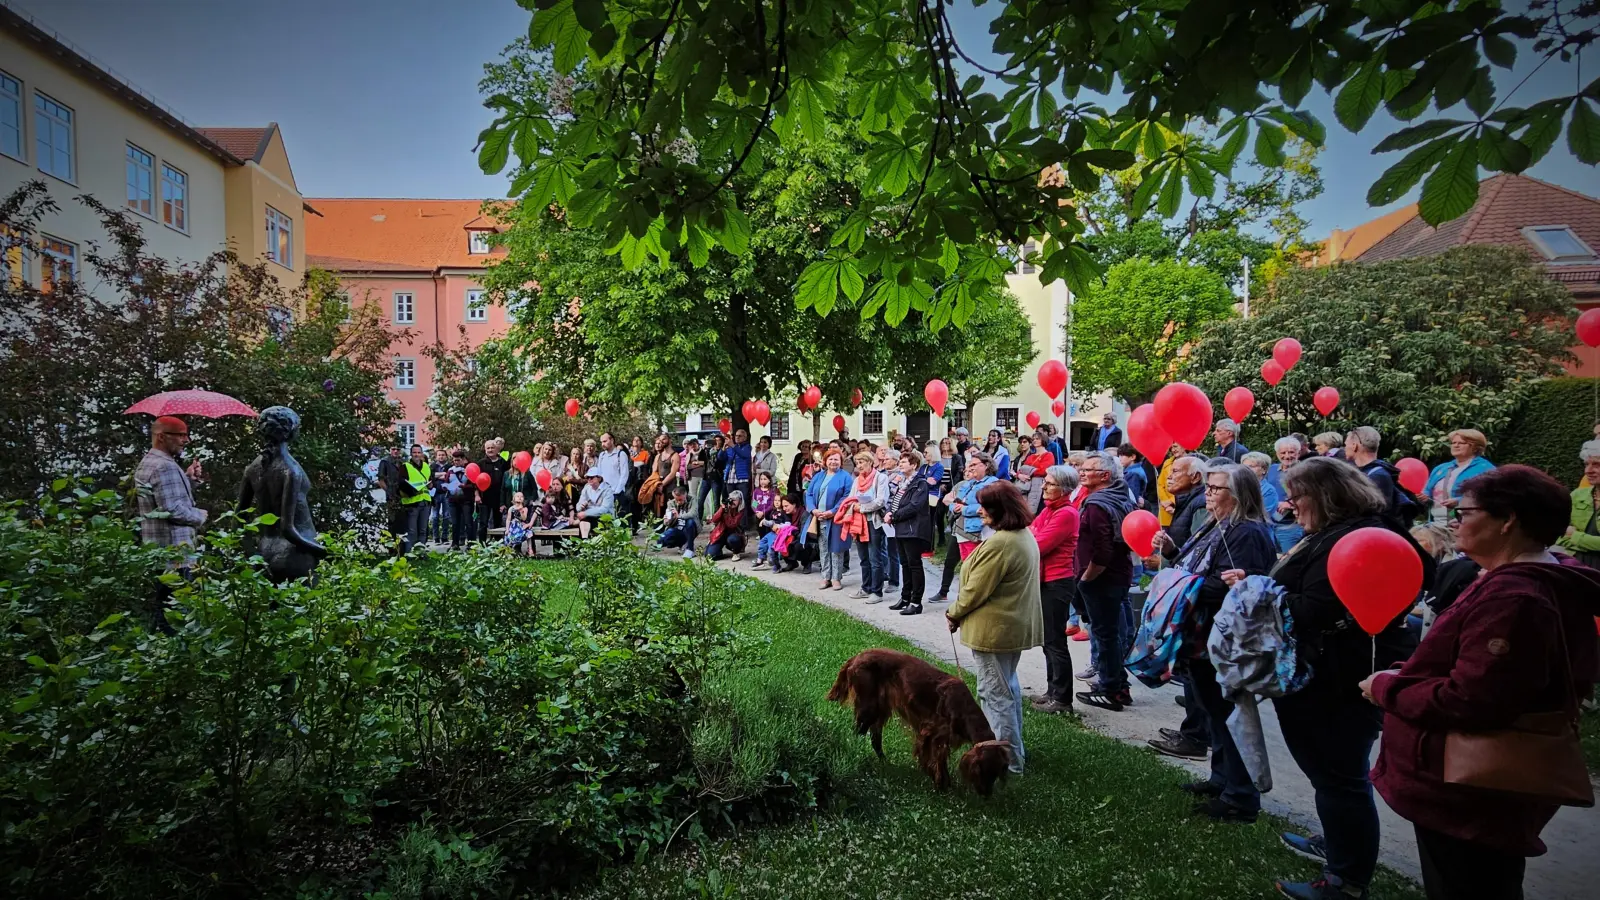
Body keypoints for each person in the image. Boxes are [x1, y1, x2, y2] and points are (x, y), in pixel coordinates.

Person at [1362, 466, 1600, 900]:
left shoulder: (1517, 600)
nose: (1455, 522)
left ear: (1507, 519)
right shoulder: (1518, 581)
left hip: (1473, 790)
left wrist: (1386, 688)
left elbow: (1472, 699)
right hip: (1469, 789)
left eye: (1466, 512)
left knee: (1468, 884)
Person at [1269, 457, 1436, 900]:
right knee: (1333, 774)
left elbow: (1315, 609)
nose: (1290, 504)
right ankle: (1338, 844)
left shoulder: (1357, 536)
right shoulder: (1342, 531)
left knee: (1340, 775)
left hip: (1340, 677)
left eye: (1297, 495)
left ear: (1325, 497)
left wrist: (1262, 594)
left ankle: (1346, 880)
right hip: (1329, 670)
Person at [1166, 463, 1277, 823]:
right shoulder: (1215, 524)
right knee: (1212, 711)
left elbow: (1238, 589)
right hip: (1201, 635)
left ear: (1239, 494)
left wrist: (1181, 586)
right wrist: (1171, 554)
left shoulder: (1247, 533)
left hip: (1224, 639)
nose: (1209, 494)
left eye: (1216, 489)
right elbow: (1195, 567)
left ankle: (1241, 796)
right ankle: (1221, 778)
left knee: (1229, 714)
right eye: (1209, 488)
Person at [946, 482, 1043, 776]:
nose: (980, 511)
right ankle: (1014, 752)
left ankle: (1006, 763)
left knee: (995, 695)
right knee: (1007, 689)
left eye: (985, 506)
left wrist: (954, 613)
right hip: (1009, 627)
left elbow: (976, 589)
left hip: (995, 629)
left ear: (1000, 510)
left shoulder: (1001, 544)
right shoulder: (1020, 535)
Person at [1075, 451, 1137, 711]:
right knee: (1110, 633)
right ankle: (1119, 684)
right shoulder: (1121, 497)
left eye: (1088, 469)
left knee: (1105, 635)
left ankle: (1111, 690)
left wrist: (1087, 579)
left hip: (1103, 579)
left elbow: (1103, 548)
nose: (1082, 472)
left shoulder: (1098, 504)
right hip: (1120, 575)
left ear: (1105, 475)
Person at [1028, 464, 1080, 714]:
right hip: (1045, 579)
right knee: (1047, 640)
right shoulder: (1050, 510)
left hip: (1057, 581)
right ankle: (1052, 691)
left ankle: (1062, 699)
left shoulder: (1066, 514)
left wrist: (1033, 534)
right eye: (1045, 482)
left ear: (1064, 489)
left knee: (1055, 641)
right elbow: (1031, 531)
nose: (1044, 486)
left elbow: (1039, 543)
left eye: (1049, 483)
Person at [134, 415, 209, 565]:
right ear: (161, 437)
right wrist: (200, 515)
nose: (186, 440)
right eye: (180, 435)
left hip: (160, 555)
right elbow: (172, 510)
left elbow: (164, 496)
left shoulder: (150, 461)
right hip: (174, 559)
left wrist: (189, 479)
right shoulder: (164, 466)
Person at [933, 452, 998, 602]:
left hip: (977, 531)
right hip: (961, 529)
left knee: (977, 567)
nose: (970, 468)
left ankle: (976, 599)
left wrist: (964, 509)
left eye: (974, 465)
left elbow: (985, 508)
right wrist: (956, 507)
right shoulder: (969, 483)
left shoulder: (992, 484)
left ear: (986, 466)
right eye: (969, 465)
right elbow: (952, 502)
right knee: (966, 566)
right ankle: (966, 598)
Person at [884, 449, 932, 615]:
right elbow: (896, 501)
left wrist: (894, 515)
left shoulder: (920, 483)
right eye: (900, 462)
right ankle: (905, 597)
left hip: (913, 528)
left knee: (914, 564)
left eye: (904, 462)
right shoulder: (904, 482)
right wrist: (889, 512)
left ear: (914, 465)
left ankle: (916, 601)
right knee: (904, 563)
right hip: (901, 527)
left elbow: (914, 506)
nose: (900, 465)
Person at [1345, 426, 1416, 526]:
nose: (1344, 448)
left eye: (1346, 444)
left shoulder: (1378, 475)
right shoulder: (1372, 472)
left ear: (1354, 446)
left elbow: (1376, 514)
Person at [1421, 428, 1495, 522]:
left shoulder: (1486, 468)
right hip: (1437, 523)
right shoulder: (1440, 468)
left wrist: (1459, 501)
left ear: (1475, 447)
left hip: (1470, 524)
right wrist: (1424, 497)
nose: (1456, 446)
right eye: (1453, 443)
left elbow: (1491, 497)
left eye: (1461, 443)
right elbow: (1427, 492)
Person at [805, 450, 854, 590]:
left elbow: (846, 497)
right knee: (823, 548)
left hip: (836, 518)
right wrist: (813, 510)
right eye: (830, 459)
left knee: (836, 549)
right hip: (818, 517)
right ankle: (826, 576)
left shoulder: (845, 477)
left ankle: (836, 578)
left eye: (836, 459)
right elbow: (808, 494)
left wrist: (832, 512)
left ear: (841, 462)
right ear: (825, 461)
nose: (833, 462)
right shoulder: (818, 476)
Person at [847, 451, 890, 601]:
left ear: (870, 462)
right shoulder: (857, 480)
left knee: (874, 558)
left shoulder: (881, 478)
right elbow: (850, 499)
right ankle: (866, 587)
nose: (859, 466)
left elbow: (881, 501)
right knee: (863, 557)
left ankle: (877, 592)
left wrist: (863, 508)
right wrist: (854, 506)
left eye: (862, 462)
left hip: (874, 522)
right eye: (857, 463)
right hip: (859, 522)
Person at [1557, 440, 1600, 569]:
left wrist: (1575, 536)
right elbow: (1557, 532)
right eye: (1586, 464)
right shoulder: (1577, 495)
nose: (1588, 470)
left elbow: (1567, 533)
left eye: (1596, 465)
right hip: (1577, 568)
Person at [1160, 455, 1208, 560]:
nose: (1169, 477)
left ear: (1195, 477)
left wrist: (1166, 561)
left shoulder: (1201, 504)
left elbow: (1199, 552)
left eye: (1175, 471)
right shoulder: (1185, 501)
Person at [1267, 436, 1305, 552]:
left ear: (1298, 453)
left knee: (1289, 562)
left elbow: (1314, 494)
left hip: (1291, 525)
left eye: (1291, 452)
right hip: (1270, 525)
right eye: (1283, 452)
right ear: (1277, 453)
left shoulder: (1305, 470)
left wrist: (1291, 503)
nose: (1287, 456)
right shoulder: (1272, 469)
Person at [398, 443, 433, 552]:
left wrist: (431, 485)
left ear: (422, 453)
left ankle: (421, 553)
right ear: (411, 454)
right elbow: (401, 483)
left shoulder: (427, 466)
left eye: (419, 452)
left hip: (425, 501)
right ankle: (409, 555)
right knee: (412, 531)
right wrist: (413, 491)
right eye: (414, 453)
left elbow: (431, 481)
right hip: (412, 503)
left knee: (423, 530)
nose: (417, 455)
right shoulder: (405, 467)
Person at [595, 432, 632, 530]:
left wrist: (617, 490)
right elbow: (599, 474)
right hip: (604, 492)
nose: (603, 444)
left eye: (605, 441)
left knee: (620, 520)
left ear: (612, 440)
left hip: (617, 492)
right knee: (605, 521)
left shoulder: (620, 454)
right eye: (601, 442)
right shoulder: (602, 455)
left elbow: (624, 474)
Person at [720, 428, 754, 530]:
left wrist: (733, 446)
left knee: (742, 502)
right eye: (736, 436)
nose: (737, 437)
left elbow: (744, 455)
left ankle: (743, 525)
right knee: (731, 502)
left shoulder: (747, 447)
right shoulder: (730, 448)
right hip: (730, 479)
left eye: (740, 436)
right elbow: (720, 458)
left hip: (742, 479)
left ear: (745, 437)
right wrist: (723, 448)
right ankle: (732, 524)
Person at [776, 493, 816, 573]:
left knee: (799, 545)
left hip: (807, 540)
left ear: (794, 504)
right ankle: (791, 563)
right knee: (778, 541)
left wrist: (792, 531)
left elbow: (804, 534)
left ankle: (807, 563)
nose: (784, 508)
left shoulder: (804, 514)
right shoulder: (786, 514)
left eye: (786, 506)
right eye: (783, 506)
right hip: (793, 537)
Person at [656, 483, 699, 557]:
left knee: (690, 522)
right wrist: (666, 520)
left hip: (690, 528)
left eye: (680, 499)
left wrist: (679, 516)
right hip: (677, 528)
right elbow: (667, 523)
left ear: (685, 495)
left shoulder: (692, 499)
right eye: (676, 499)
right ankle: (682, 543)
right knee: (661, 540)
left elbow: (693, 514)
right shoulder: (670, 503)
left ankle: (690, 549)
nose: (678, 501)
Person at [575, 466, 615, 538]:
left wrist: (586, 512)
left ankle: (586, 542)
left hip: (605, 518)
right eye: (588, 478)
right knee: (583, 521)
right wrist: (581, 506)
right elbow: (578, 506)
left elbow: (604, 509)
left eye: (592, 477)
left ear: (599, 478)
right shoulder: (586, 487)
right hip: (589, 517)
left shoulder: (607, 490)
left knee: (585, 520)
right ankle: (584, 542)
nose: (589, 480)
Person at [706, 492, 748, 560]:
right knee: (709, 556)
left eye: (734, 500)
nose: (732, 502)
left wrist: (725, 514)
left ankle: (736, 552)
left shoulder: (741, 511)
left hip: (735, 534)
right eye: (731, 499)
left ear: (739, 501)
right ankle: (718, 551)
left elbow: (732, 524)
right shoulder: (725, 507)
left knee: (732, 539)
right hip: (721, 533)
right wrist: (721, 509)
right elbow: (714, 519)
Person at [1018, 435, 1055, 511]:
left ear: (1043, 440)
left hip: (1040, 487)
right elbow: (1021, 470)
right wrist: (1020, 475)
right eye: (1033, 439)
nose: (1034, 440)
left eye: (1037, 439)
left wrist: (1028, 472)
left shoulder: (1048, 455)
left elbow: (1043, 471)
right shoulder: (1030, 456)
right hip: (1027, 486)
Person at [447, 450, 475, 550]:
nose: (456, 462)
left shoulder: (469, 469)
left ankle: (471, 543)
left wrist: (465, 486)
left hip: (466, 499)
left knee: (468, 522)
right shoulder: (450, 470)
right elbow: (445, 483)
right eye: (454, 460)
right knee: (455, 523)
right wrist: (446, 486)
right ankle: (455, 543)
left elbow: (474, 485)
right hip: (453, 500)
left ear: (463, 460)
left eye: (458, 460)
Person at [750, 472, 779, 567]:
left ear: (769, 480)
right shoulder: (756, 491)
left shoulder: (772, 492)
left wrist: (764, 512)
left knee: (768, 535)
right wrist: (756, 512)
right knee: (761, 535)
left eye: (765, 479)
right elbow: (754, 503)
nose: (763, 481)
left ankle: (770, 554)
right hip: (758, 516)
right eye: (761, 479)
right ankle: (762, 555)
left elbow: (772, 505)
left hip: (768, 516)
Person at [429, 447, 453, 545]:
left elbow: (449, 477)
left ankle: (445, 537)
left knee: (446, 516)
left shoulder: (450, 466)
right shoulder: (432, 466)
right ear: (436, 456)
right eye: (439, 455)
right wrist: (442, 474)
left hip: (446, 493)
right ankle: (436, 537)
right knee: (434, 516)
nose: (441, 457)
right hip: (435, 493)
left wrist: (438, 475)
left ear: (446, 456)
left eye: (443, 455)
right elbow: (431, 476)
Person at [1117, 444, 1148, 510]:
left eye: (1122, 456)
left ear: (1132, 457)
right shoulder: (1134, 470)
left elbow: (1132, 496)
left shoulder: (1133, 474)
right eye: (1119, 456)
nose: (1119, 458)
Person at [504, 491, 534, 556]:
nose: (520, 498)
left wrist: (521, 512)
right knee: (508, 536)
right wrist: (507, 529)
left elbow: (524, 519)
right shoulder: (511, 508)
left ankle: (530, 549)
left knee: (529, 532)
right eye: (518, 496)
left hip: (521, 525)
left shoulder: (525, 508)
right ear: (514, 499)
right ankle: (508, 550)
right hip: (513, 526)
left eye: (522, 496)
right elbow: (508, 519)